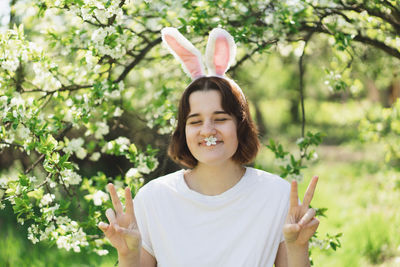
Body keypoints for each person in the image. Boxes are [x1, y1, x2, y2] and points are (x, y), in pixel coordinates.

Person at [98, 27, 320, 267]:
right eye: (195, 121)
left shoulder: (276, 195)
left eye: (221, 118)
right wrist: (127, 256)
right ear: (183, 131)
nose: (207, 130)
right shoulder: (153, 198)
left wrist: (298, 247)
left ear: (241, 124)